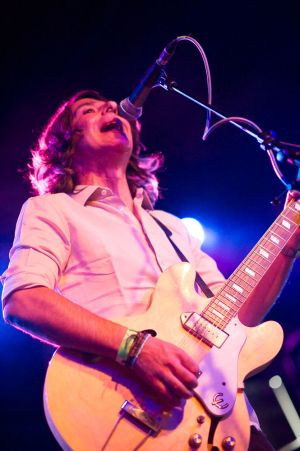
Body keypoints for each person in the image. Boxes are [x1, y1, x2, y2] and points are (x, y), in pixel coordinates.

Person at [1, 89, 299, 450]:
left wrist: (288, 240)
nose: (111, 106)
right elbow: (23, 301)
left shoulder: (172, 227)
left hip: (228, 424)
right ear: (66, 143)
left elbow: (237, 318)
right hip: (131, 414)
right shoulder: (52, 210)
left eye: (110, 105)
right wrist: (134, 347)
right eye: (89, 110)